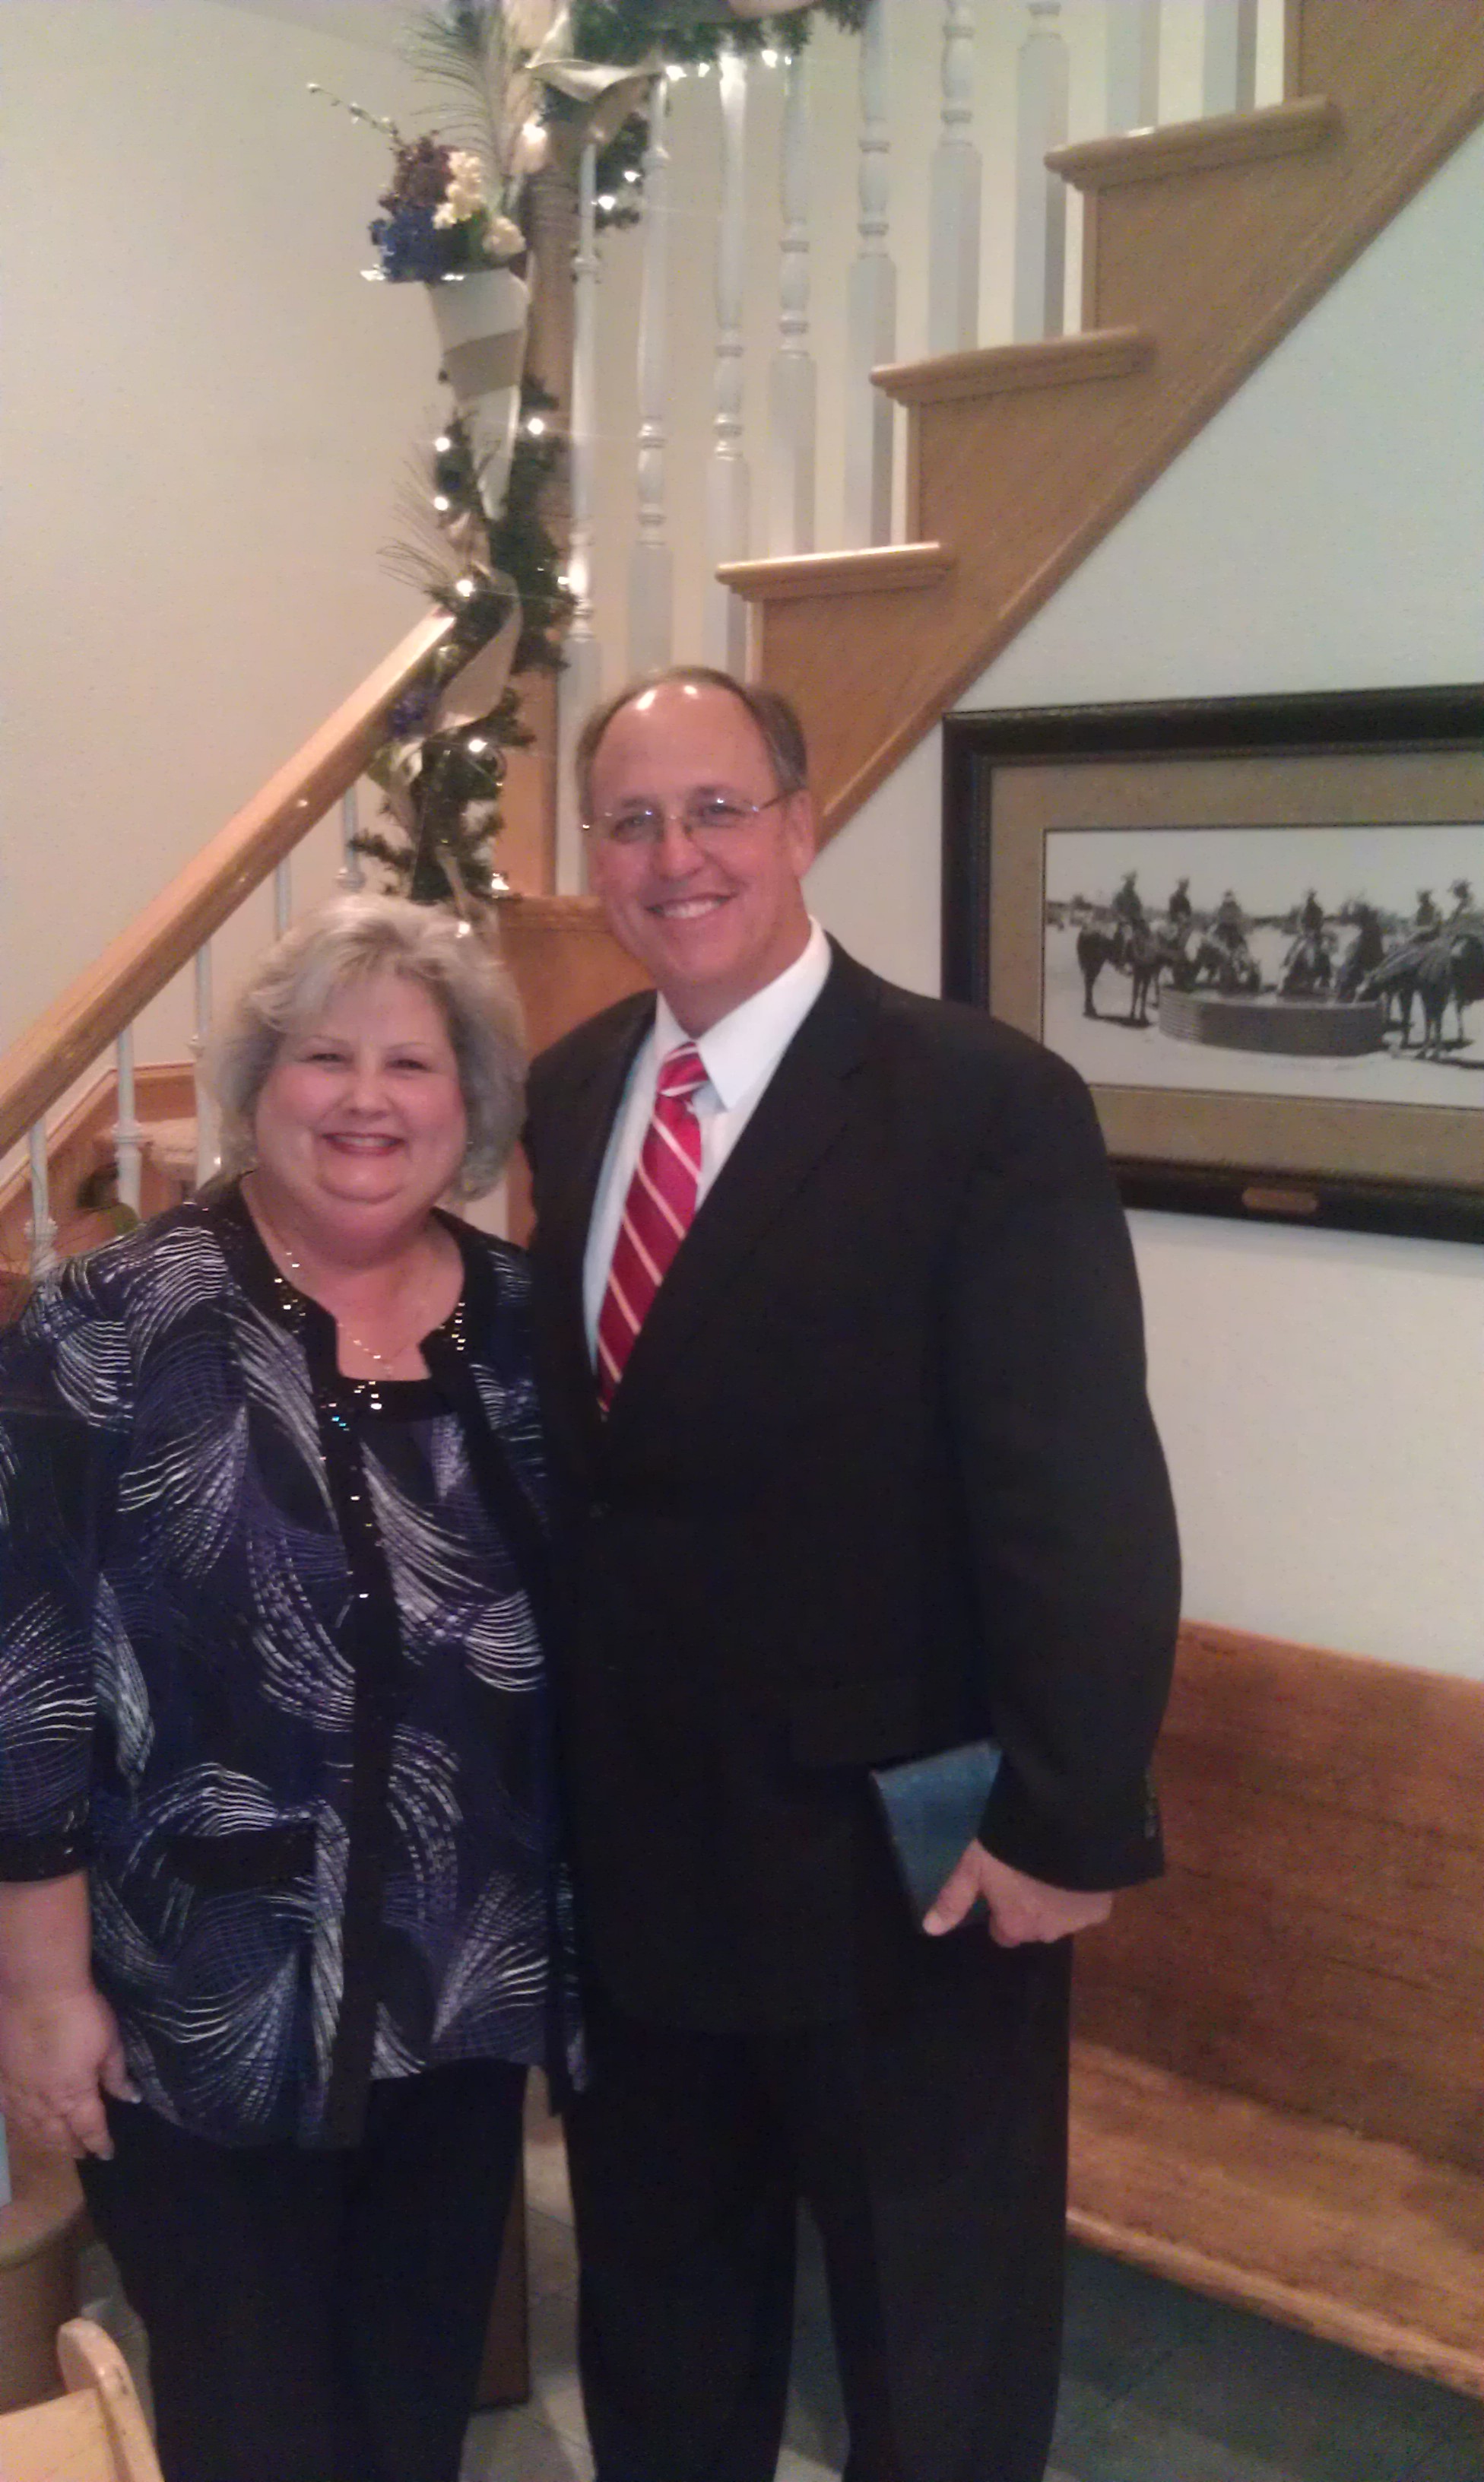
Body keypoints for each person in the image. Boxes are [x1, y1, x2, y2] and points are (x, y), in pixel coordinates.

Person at [524, 668, 1180, 2482]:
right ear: (595, 860)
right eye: (632, 823)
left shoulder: (982, 1103)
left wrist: (1065, 1820)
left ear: (802, 826)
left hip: (908, 1865)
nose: (675, 856)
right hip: (640, 1858)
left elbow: (1078, 1490)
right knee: (661, 2323)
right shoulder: (572, 1092)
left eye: (716, 810)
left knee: (932, 2354)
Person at [0, 894, 579, 2482]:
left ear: (469, 1105)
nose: (366, 1099)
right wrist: (40, 1991)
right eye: (327, 1057)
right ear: (260, 1086)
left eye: (412, 1064)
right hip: (205, 2002)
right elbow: (23, 1672)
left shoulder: (523, 1329)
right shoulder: (117, 1324)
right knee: (257, 2425)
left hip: (461, 1998)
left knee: (409, 2412)